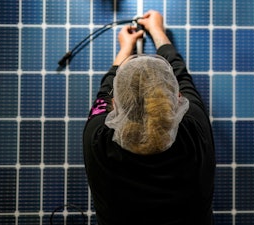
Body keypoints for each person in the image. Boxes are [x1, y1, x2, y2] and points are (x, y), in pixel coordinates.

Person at [83, 10, 216, 225]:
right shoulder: (194, 128)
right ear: (179, 98)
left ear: (114, 103)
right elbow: (181, 75)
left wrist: (126, 48)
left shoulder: (98, 138)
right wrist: (157, 31)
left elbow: (103, 93)